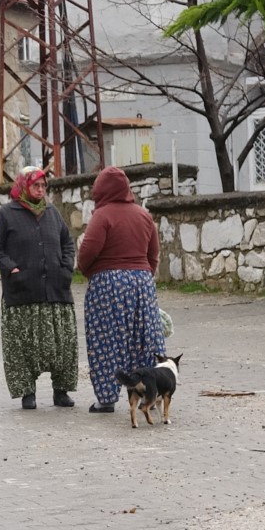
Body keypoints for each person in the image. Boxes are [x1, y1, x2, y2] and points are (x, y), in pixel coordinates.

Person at [0, 167, 78, 410]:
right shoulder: (7, 214)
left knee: (62, 346)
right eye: (36, 186)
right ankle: (28, 393)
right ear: (24, 186)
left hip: (56, 291)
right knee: (23, 348)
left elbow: (67, 242)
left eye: (43, 186)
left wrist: (66, 266)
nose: (41, 190)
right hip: (22, 293)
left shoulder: (52, 212)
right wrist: (12, 269)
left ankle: (61, 391)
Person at [76, 166, 165, 413]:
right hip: (142, 282)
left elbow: (88, 252)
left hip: (109, 285)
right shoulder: (143, 215)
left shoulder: (102, 216)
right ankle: (151, 393)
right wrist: (144, 274)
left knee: (107, 341)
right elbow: (153, 254)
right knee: (145, 339)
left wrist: (88, 270)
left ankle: (106, 398)